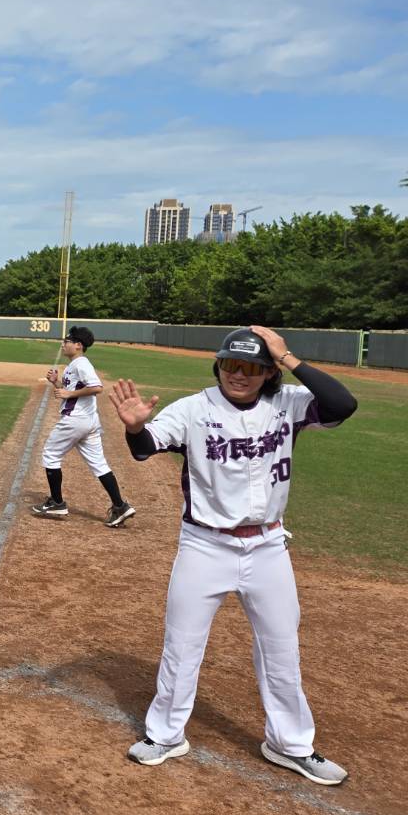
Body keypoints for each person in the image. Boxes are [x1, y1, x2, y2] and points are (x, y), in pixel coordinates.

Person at [112, 326, 357, 785]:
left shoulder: (288, 404)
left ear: (267, 373)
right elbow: (146, 450)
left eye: (251, 367)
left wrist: (288, 357)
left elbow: (343, 405)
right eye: (230, 364)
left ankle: (290, 744)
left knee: (281, 648)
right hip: (205, 545)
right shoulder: (193, 408)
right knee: (182, 645)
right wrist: (135, 428)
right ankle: (165, 735)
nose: (238, 375)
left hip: (267, 547)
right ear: (218, 366)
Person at [32, 325, 136, 527]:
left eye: (67, 341)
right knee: (99, 464)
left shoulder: (82, 364)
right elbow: (71, 390)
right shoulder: (74, 365)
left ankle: (57, 503)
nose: (63, 344)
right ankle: (120, 506)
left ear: (78, 345)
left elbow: (97, 387)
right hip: (87, 421)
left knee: (51, 454)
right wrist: (57, 383)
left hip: (75, 420)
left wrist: (68, 394)